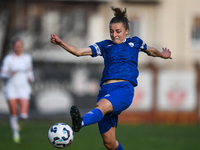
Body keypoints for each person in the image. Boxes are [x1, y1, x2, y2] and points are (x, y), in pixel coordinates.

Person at [50, 6, 172, 150]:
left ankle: (80, 123)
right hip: (105, 90)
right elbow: (79, 52)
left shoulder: (135, 42)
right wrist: (60, 43)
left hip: (123, 89)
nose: (114, 35)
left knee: (101, 106)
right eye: (111, 31)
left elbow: (150, 50)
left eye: (118, 31)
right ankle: (85, 123)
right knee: (109, 143)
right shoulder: (105, 45)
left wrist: (161, 55)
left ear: (126, 31)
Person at [0, 38, 35, 143]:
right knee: (13, 113)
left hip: (23, 88)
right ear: (13, 47)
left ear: (22, 47)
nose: (18, 47)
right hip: (11, 88)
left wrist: (31, 78)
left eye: (20, 45)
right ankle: (16, 134)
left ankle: (20, 122)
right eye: (16, 45)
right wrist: (9, 75)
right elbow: (2, 73)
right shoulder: (8, 59)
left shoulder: (27, 58)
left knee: (24, 115)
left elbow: (30, 71)